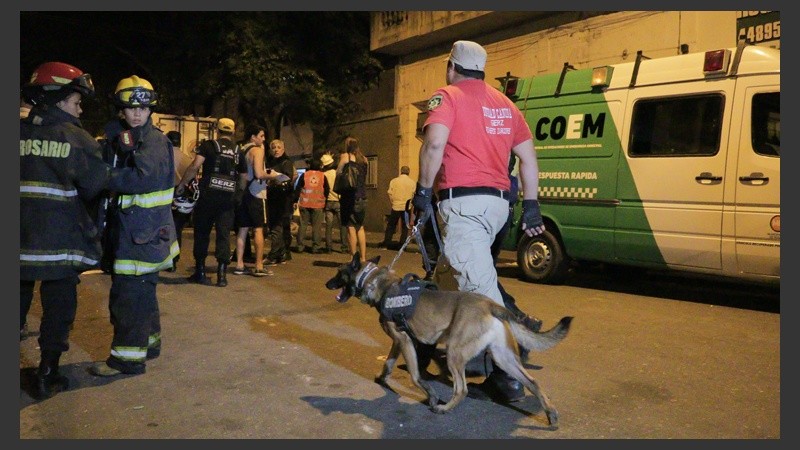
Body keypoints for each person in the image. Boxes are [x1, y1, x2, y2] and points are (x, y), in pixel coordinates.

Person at [412, 40, 545, 403]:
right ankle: (424, 345)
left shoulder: (447, 95)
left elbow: (434, 144)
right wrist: (531, 205)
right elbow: (528, 160)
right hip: (498, 206)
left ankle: (508, 377)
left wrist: (423, 191)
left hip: (465, 205)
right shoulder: (506, 104)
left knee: (482, 295)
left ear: (451, 66)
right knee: (445, 277)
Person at [20, 62, 110, 398]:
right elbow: (94, 186)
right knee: (59, 304)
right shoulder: (77, 138)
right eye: (76, 101)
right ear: (58, 100)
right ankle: (47, 373)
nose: (80, 108)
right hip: (59, 242)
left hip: (18, 240)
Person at [89, 75, 179, 377]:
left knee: (128, 300)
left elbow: (142, 179)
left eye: (143, 108)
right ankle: (149, 345)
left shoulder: (151, 142)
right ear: (121, 110)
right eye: (131, 108)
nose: (138, 114)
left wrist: (103, 176)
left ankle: (127, 360)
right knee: (143, 295)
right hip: (145, 233)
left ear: (151, 108)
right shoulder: (137, 138)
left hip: (139, 236)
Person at [176, 118, 247, 287]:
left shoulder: (209, 146)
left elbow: (195, 166)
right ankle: (222, 275)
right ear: (233, 131)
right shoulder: (238, 151)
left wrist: (182, 185)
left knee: (202, 232)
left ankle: (200, 271)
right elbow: (244, 178)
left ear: (217, 129)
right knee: (223, 234)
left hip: (208, 197)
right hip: (227, 199)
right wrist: (238, 195)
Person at [233, 124, 272, 277]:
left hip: (242, 193)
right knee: (258, 229)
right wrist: (274, 176)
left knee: (242, 229)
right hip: (256, 193)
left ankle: (239, 264)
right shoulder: (258, 150)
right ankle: (259, 265)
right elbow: (259, 173)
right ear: (253, 137)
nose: (264, 139)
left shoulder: (241, 151)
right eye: (261, 136)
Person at [264, 139, 297, 266]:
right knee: (280, 227)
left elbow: (289, 179)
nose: (276, 149)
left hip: (282, 199)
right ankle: (282, 253)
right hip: (274, 197)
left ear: (283, 149)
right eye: (273, 147)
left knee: (277, 227)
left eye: (278, 147)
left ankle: (274, 254)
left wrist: (275, 179)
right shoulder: (271, 162)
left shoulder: (286, 162)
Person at [337, 136, 369, 263]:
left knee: (350, 227)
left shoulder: (345, 157)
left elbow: (339, 172)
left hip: (349, 197)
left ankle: (353, 256)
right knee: (360, 227)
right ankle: (363, 257)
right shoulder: (364, 159)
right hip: (362, 196)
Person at [293, 157, 329, 254]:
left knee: (303, 225)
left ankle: (300, 246)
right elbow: (327, 190)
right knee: (316, 227)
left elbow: (298, 189)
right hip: (318, 204)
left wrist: (295, 200)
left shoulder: (304, 175)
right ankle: (316, 247)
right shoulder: (323, 176)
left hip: (305, 203)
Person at [380, 165, 416, 249]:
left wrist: (393, 202)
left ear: (401, 171)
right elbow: (413, 195)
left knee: (391, 225)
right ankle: (402, 243)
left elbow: (390, 193)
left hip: (396, 206)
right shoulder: (412, 182)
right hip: (406, 207)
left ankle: (387, 241)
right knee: (405, 226)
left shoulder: (394, 181)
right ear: (408, 172)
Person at [322, 152, 349, 254]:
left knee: (329, 226)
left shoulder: (324, 175)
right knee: (342, 225)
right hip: (338, 201)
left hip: (328, 201)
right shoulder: (337, 173)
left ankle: (328, 247)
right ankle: (344, 247)